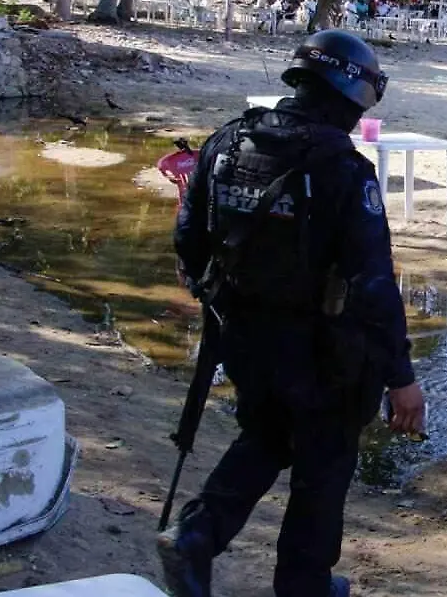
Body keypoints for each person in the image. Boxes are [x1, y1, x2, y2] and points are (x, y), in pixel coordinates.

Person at [160, 30, 425, 597]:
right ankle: (303, 585)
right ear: (348, 97)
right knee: (323, 468)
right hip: (325, 352)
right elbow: (374, 283)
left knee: (266, 435)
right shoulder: (343, 169)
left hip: (244, 339)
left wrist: (225, 301)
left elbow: (188, 241)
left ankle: (195, 535)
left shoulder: (225, 142)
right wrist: (402, 378)